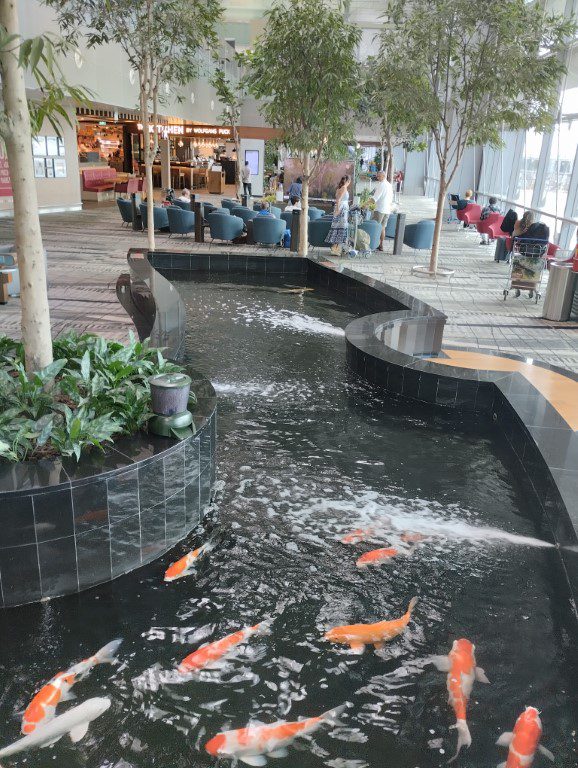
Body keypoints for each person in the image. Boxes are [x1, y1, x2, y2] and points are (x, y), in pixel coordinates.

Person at [325, 175, 351, 255]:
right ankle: (336, 249)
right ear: (348, 181)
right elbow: (338, 199)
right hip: (341, 209)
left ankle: (335, 248)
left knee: (337, 228)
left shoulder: (339, 188)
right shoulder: (344, 188)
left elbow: (339, 199)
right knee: (341, 228)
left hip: (340, 208)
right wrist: (337, 210)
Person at [370, 171, 393, 251]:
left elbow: (374, 198)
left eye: (379, 176)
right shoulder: (389, 185)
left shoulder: (381, 185)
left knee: (375, 227)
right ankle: (381, 245)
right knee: (383, 228)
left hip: (380, 209)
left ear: (383, 176)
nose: (377, 177)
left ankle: (373, 244)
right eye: (377, 176)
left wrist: (364, 205)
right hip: (387, 210)